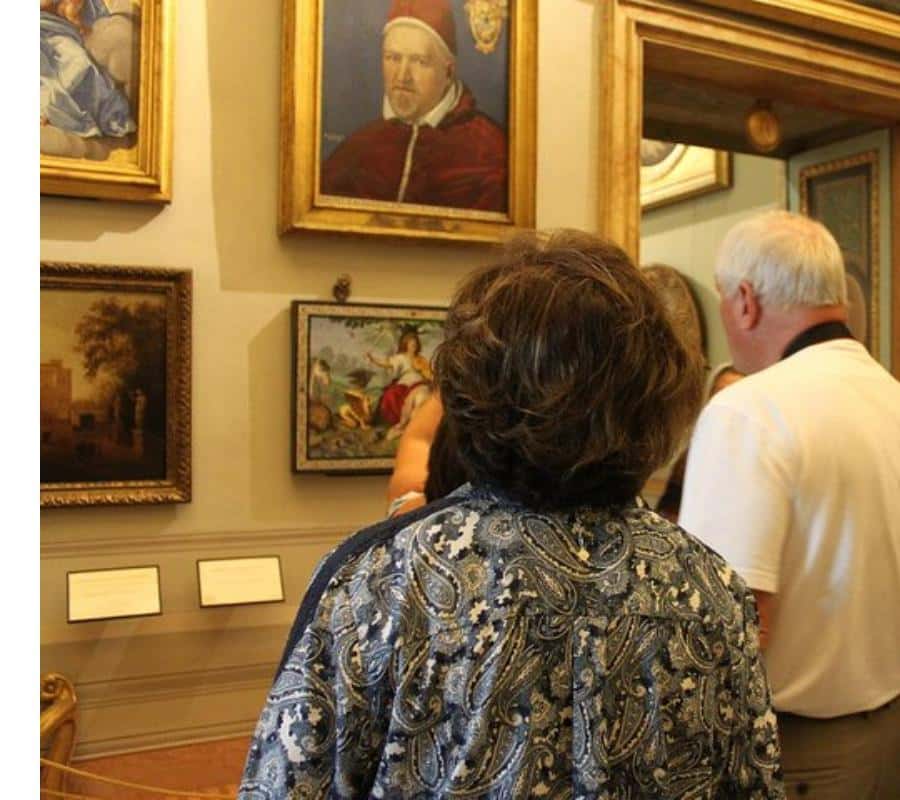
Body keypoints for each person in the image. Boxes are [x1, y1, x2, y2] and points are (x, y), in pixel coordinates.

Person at [238, 230, 783, 799]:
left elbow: (289, 784)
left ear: (470, 389)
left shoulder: (382, 581)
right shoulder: (708, 586)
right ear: (655, 392)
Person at [679, 210, 900, 798]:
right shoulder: (892, 398)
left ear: (745, 302)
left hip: (797, 756)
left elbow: (729, 621)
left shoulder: (749, 411)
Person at [320, 0, 508, 212]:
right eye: (393, 58)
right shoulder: (356, 148)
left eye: (419, 61)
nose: (402, 76)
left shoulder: (491, 152)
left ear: (448, 72)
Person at [655, 362, 744, 522]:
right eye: (718, 394)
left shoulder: (761, 456)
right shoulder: (691, 456)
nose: (725, 406)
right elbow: (668, 514)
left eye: (734, 397)